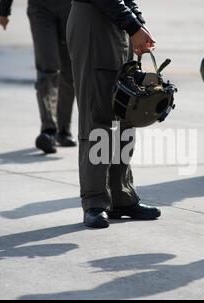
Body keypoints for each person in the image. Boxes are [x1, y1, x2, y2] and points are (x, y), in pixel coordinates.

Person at [66, 0, 161, 228]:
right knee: (98, 117)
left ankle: (122, 197)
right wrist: (132, 25)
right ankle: (95, 202)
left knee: (126, 111)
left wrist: (138, 23)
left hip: (117, 24)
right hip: (93, 26)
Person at [0, 0, 76, 154]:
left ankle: (64, 129)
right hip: (40, 8)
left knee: (70, 71)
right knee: (47, 68)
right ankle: (48, 130)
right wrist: (4, 9)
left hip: (71, 7)